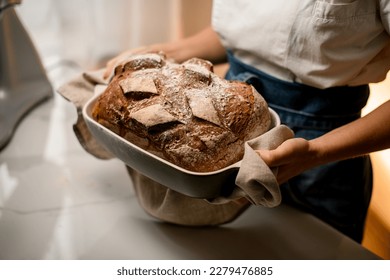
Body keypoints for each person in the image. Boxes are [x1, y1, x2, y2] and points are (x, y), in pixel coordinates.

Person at [103, 0, 390, 243]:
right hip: (219, 129)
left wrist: (317, 153)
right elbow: (250, 31)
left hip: (323, 152)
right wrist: (166, 52)